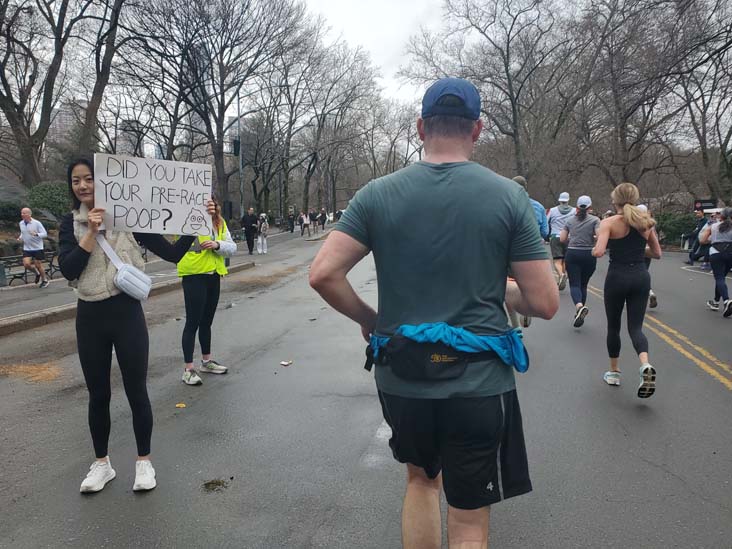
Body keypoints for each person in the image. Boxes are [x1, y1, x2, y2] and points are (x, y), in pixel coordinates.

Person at [310, 77, 558, 548]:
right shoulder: (509, 197)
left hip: (404, 376)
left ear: (421, 128)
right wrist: (499, 290)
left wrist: (370, 320)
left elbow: (323, 274)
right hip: (480, 382)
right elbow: (543, 302)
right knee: (467, 519)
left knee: (421, 484)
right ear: (478, 129)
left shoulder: (376, 194)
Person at [58, 156, 201, 493]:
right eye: (76, 180)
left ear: (103, 181)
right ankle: (101, 464)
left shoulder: (130, 216)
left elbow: (173, 254)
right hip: (90, 316)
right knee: (98, 395)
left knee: (137, 390)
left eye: (89, 178)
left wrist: (198, 222)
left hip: (127, 314)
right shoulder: (70, 224)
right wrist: (91, 233)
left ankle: (144, 462)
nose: (83, 186)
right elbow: (68, 269)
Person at [592, 182, 661, 398]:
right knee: (636, 328)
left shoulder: (608, 223)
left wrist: (596, 246)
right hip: (641, 276)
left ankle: (614, 372)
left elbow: (599, 252)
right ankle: (645, 365)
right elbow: (657, 253)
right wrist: (638, 249)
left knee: (614, 327)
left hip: (617, 277)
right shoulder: (646, 224)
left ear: (615, 200)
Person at [178, 198, 237, 386]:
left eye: (210, 202)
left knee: (207, 322)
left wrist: (217, 245)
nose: (207, 205)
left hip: (214, 275)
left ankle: (206, 361)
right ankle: (188, 369)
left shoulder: (219, 222)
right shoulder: (184, 219)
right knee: (192, 322)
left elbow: (232, 247)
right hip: (194, 275)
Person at [560, 196, 600, 328]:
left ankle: (579, 306)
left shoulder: (569, 221)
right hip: (588, 254)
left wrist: (572, 239)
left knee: (575, 284)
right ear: (589, 207)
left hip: (573, 253)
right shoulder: (595, 220)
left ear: (577, 207)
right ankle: (579, 311)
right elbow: (599, 236)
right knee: (583, 284)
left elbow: (562, 239)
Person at [699, 207, 732, 316]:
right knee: (721, 278)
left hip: (716, 253)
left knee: (719, 278)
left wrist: (712, 239)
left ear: (721, 216)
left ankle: (727, 300)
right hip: (730, 254)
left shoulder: (713, 226)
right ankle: (716, 302)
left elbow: (702, 240)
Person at [547, 192, 575, 290]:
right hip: (569, 237)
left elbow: (547, 221)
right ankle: (562, 276)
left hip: (555, 237)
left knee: (557, 260)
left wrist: (547, 235)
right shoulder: (574, 211)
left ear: (559, 200)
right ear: (568, 200)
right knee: (565, 260)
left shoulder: (553, 210)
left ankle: (561, 274)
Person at [18, 207, 49, 288]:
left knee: (38, 265)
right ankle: (36, 273)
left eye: (24, 213)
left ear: (29, 214)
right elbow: (23, 233)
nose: (22, 215)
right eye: (22, 213)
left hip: (37, 247)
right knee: (26, 264)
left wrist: (36, 234)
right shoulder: (21, 223)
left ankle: (44, 280)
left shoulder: (36, 223)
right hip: (27, 248)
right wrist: (20, 237)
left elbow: (45, 234)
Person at [637, 205, 658, 308]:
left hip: (637, 251)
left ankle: (641, 295)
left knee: (635, 274)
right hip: (648, 252)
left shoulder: (634, 224)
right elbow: (656, 246)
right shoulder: (651, 225)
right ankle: (650, 293)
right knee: (644, 272)